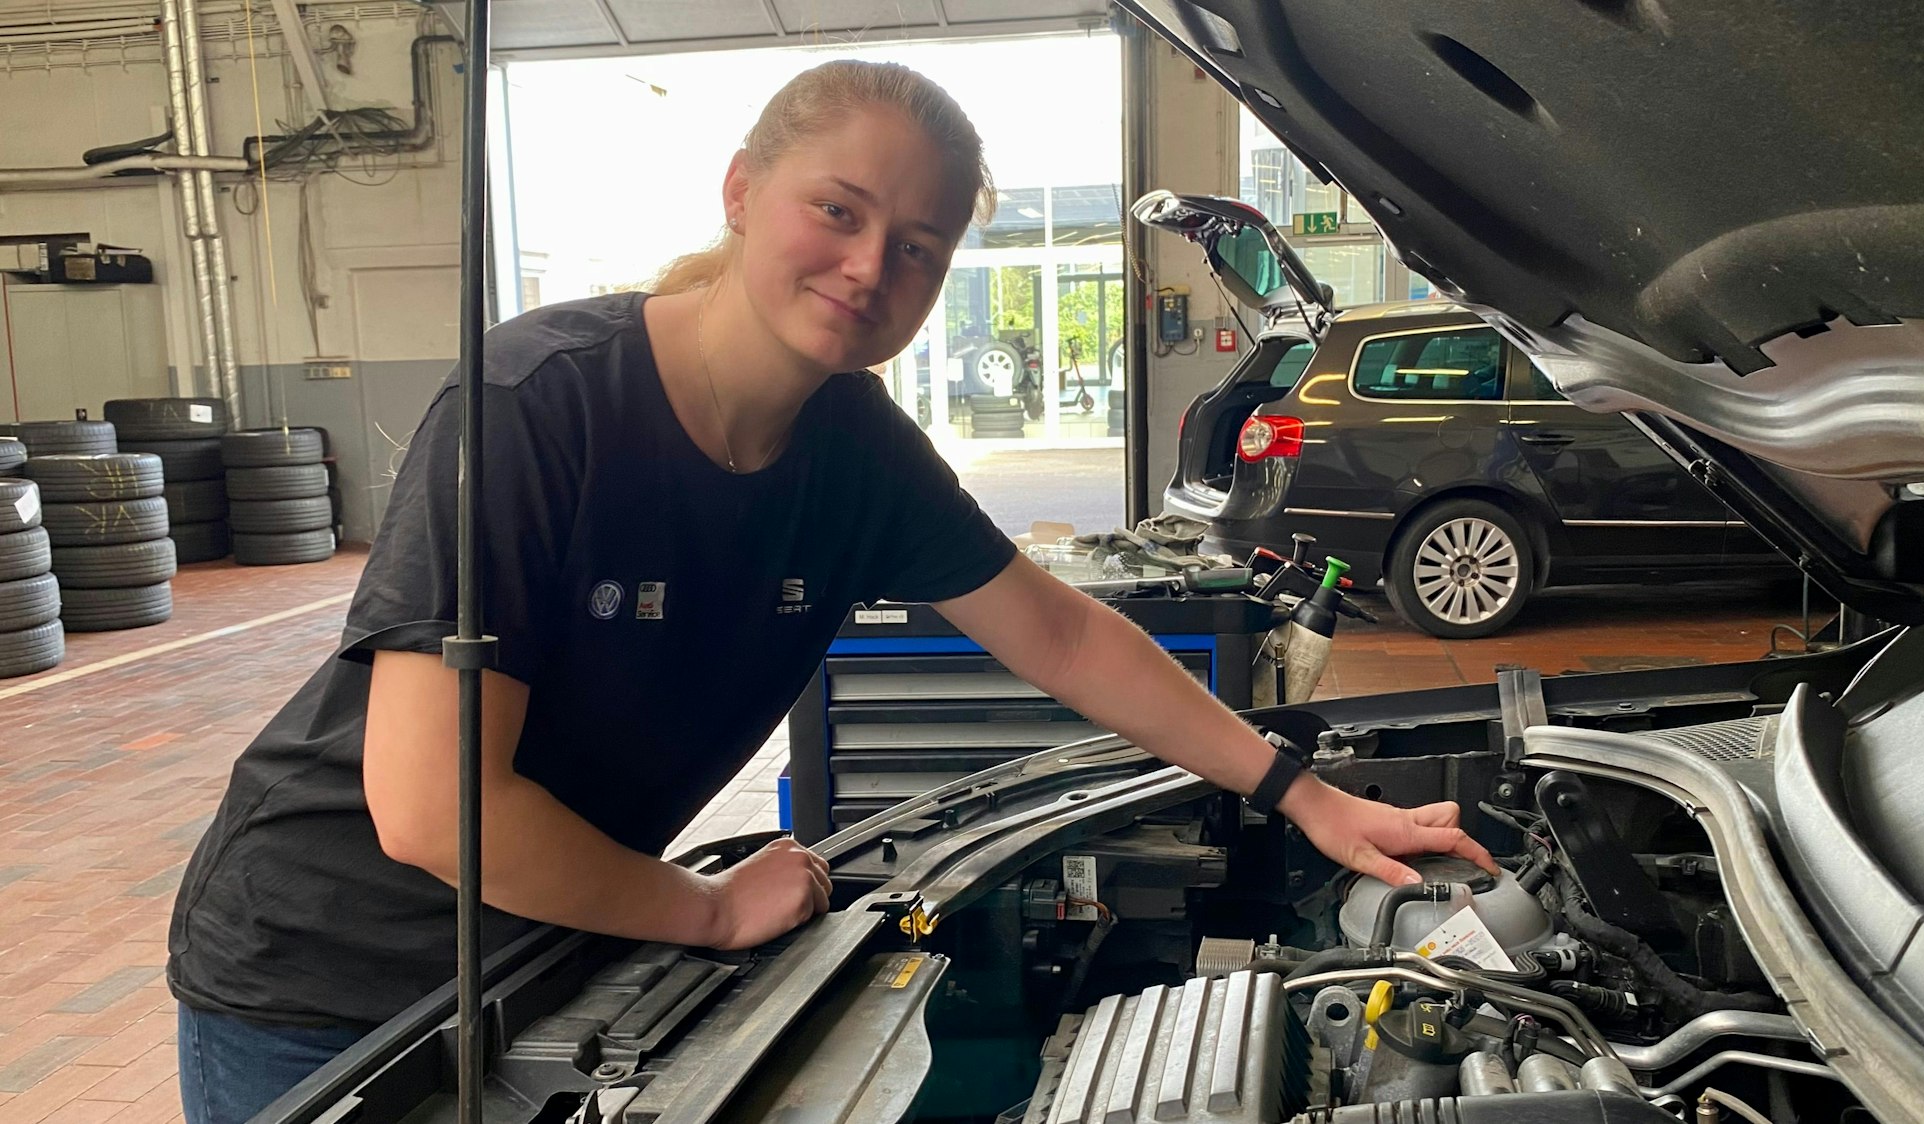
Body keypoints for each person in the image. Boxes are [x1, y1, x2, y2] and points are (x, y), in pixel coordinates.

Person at [166, 59, 1494, 1124]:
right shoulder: (539, 402)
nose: (870, 269)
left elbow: (1060, 634)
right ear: (742, 189)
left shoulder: (852, 452)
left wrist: (1302, 794)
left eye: (918, 247)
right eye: (837, 211)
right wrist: (697, 907)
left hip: (551, 948)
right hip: (321, 980)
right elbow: (434, 809)